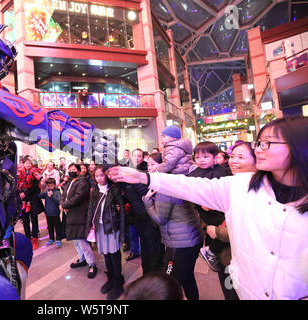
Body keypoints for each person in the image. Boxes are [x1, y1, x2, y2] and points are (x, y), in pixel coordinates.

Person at [107, 116, 308, 300]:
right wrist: (143, 177)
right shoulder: (241, 185)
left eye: (267, 143)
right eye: (258, 143)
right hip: (244, 290)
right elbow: (188, 186)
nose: (258, 149)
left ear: (299, 147)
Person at [143, 152, 204, 300]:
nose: (149, 168)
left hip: (181, 244)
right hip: (191, 239)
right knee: (188, 277)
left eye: (153, 164)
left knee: (169, 283)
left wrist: (146, 201)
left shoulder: (165, 188)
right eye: (148, 165)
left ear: (164, 165)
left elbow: (159, 219)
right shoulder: (173, 180)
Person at [207, 141, 257, 300]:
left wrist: (216, 231)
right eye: (232, 156)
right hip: (227, 256)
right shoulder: (231, 182)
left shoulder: (262, 188)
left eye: (241, 157)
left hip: (245, 260)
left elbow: (248, 226)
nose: (234, 161)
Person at [187, 142, 230, 272]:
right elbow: (189, 194)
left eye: (205, 157)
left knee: (227, 228)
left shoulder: (222, 171)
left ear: (215, 157)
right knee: (223, 229)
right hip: (207, 211)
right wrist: (200, 204)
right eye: (198, 157)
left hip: (221, 207)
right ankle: (211, 252)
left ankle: (211, 251)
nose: (201, 160)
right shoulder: (194, 174)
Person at [121, 149, 163, 274]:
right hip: (138, 216)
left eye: (139, 156)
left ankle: (156, 275)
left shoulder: (144, 174)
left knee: (153, 247)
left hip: (149, 216)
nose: (137, 158)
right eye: (134, 156)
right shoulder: (129, 172)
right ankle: (148, 274)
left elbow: (147, 194)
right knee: (145, 246)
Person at [86, 165, 125, 299]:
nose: (99, 178)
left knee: (114, 255)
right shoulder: (94, 191)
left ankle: (118, 283)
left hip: (113, 227)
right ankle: (111, 279)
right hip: (100, 227)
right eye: (96, 176)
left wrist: (123, 231)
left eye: (101, 175)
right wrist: (88, 229)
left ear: (107, 176)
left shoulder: (114, 190)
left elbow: (122, 212)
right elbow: (91, 211)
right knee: (106, 255)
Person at [60, 163, 97, 278]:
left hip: (79, 214)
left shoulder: (83, 182)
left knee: (81, 240)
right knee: (75, 240)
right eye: (70, 169)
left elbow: (78, 197)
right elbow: (64, 195)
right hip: (70, 214)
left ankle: (92, 264)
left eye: (74, 169)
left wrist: (65, 204)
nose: (71, 171)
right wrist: (62, 203)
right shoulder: (70, 181)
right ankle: (82, 259)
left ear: (79, 170)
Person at [38, 178, 62, 248]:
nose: (50, 187)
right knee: (50, 227)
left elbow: (58, 201)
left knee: (57, 227)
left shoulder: (57, 192)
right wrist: (45, 192)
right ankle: (51, 238)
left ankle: (58, 239)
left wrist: (52, 196)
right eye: (49, 186)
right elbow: (39, 195)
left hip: (55, 213)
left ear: (54, 185)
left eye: (51, 185)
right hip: (48, 213)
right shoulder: (46, 191)